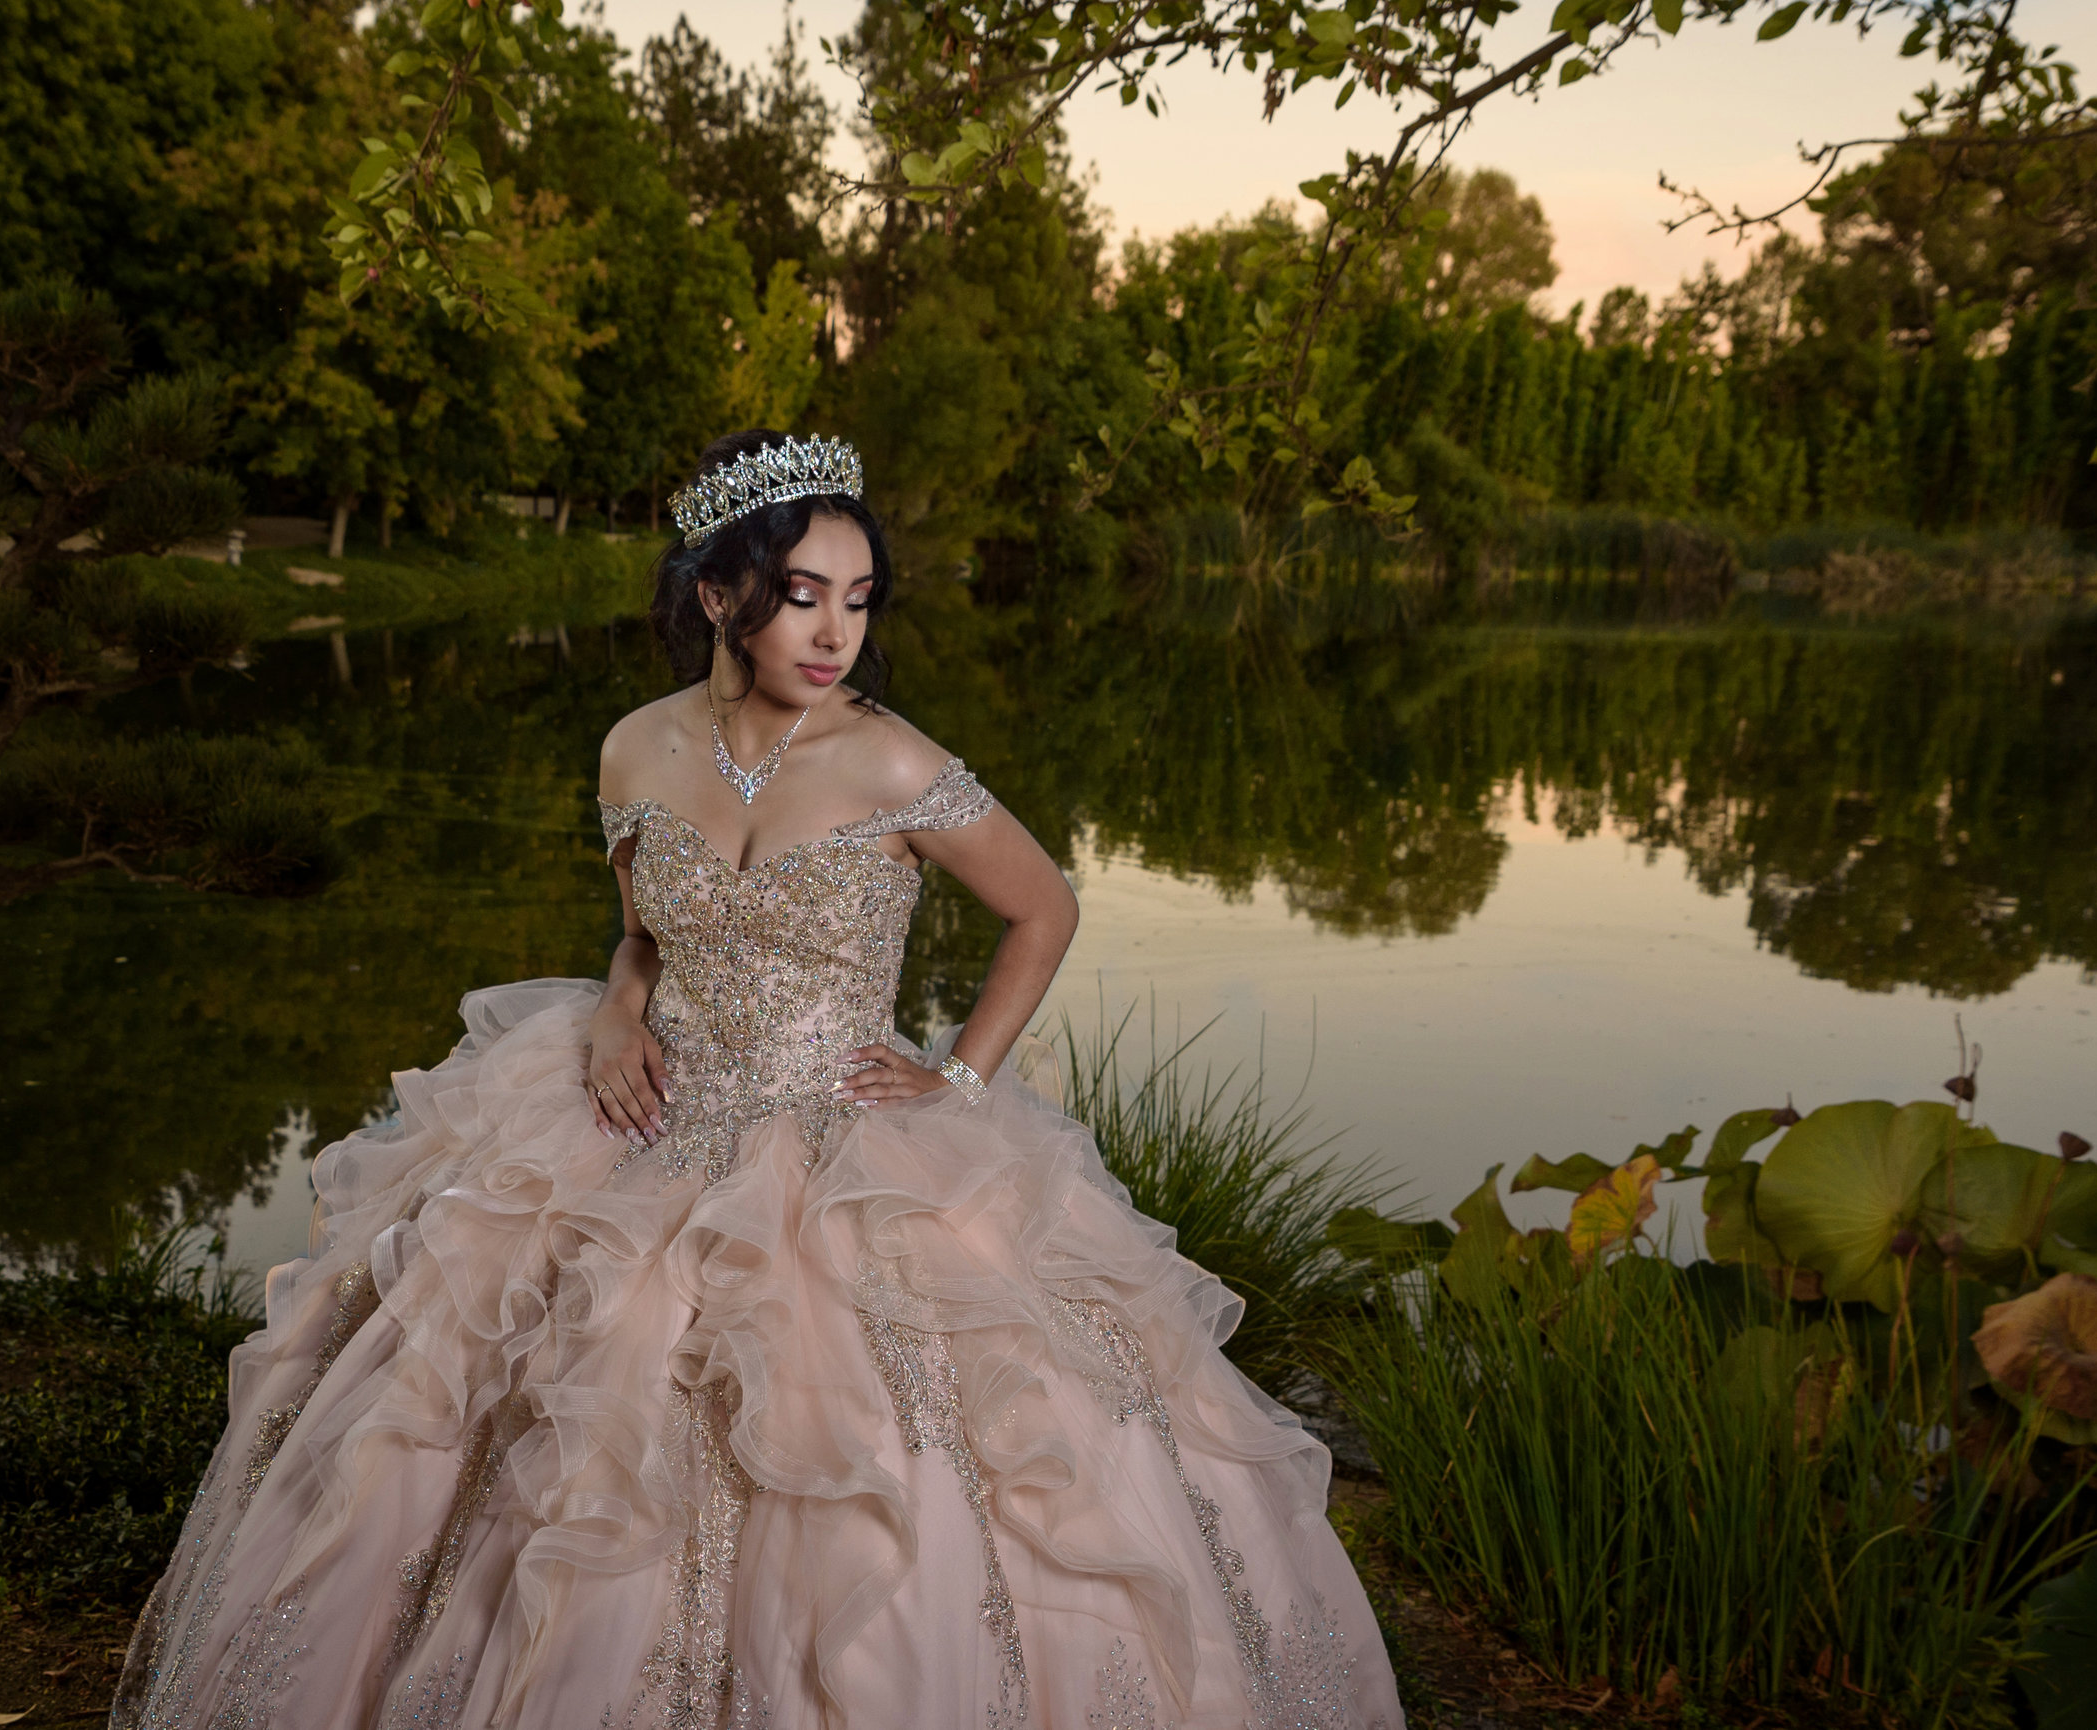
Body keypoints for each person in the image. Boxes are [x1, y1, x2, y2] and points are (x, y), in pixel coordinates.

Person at [110, 431, 1402, 1730]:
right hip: (649, 1117)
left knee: (888, 1465)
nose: (835, 630)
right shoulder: (632, 750)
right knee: (534, 1427)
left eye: (856, 597)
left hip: (843, 1141)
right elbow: (645, 934)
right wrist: (618, 1015)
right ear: (719, 595)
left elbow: (1045, 908)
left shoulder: (895, 762)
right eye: (802, 594)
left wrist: (958, 1078)